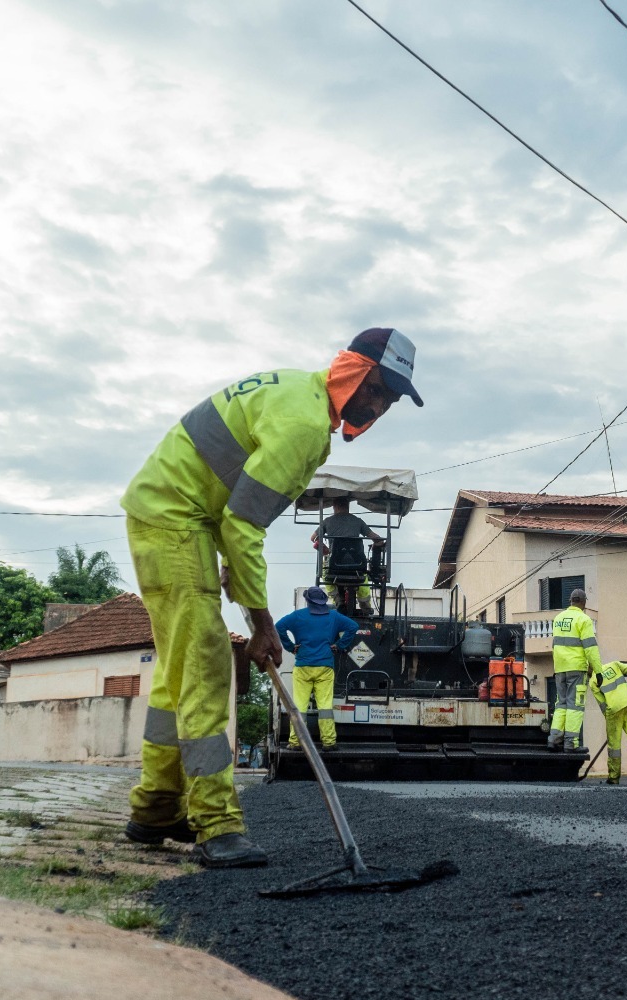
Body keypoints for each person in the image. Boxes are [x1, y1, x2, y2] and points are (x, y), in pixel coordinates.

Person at [119, 327, 422, 867]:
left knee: (178, 671)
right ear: (354, 370)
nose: (379, 405)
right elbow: (242, 526)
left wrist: (247, 591)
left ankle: (156, 808)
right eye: (377, 388)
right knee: (211, 663)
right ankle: (216, 822)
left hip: (174, 514)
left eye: (389, 398)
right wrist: (261, 625)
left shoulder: (297, 393)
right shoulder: (304, 425)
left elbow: (235, 524)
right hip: (175, 518)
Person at [274, 587, 360, 750]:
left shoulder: (298, 616)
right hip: (325, 667)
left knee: (299, 706)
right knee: (325, 707)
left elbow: (279, 626)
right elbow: (353, 626)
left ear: (307, 600)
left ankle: (296, 742)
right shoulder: (333, 616)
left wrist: (291, 647)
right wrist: (340, 645)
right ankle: (328, 742)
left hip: (303, 667)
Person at [548, 587, 600, 752]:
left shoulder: (558, 618)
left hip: (560, 668)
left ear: (570, 601)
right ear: (583, 602)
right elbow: (591, 648)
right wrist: (598, 671)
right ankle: (571, 744)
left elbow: (554, 645)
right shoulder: (583, 619)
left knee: (561, 704)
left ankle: (554, 739)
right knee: (575, 706)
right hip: (576, 668)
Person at [313, 497, 384, 613]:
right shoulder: (358, 521)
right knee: (364, 576)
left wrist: (325, 549)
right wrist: (379, 543)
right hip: (357, 565)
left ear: (334, 506)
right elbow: (375, 537)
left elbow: (313, 538)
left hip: (334, 565)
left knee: (324, 573)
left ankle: (338, 600)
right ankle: (365, 606)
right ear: (348, 506)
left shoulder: (327, 521)